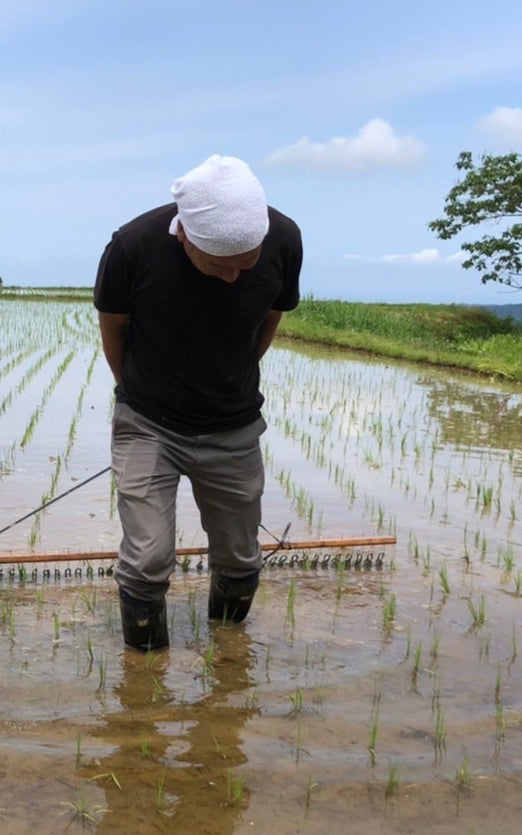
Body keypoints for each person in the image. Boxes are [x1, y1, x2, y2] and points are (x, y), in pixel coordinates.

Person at [94, 154, 303, 651]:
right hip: (148, 422)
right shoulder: (132, 246)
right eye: (217, 266)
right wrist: (138, 394)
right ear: (184, 234)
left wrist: (227, 380)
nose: (232, 278)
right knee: (146, 558)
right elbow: (114, 328)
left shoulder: (285, 238)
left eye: (244, 265)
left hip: (233, 426)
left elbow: (269, 318)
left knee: (239, 555)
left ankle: (229, 658)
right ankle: (143, 686)